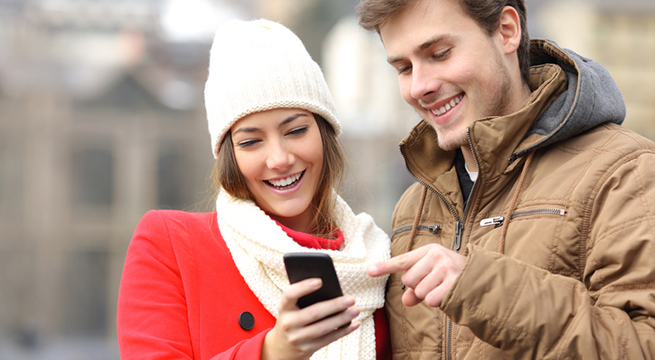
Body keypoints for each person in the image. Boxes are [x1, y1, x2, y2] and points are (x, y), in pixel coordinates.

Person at [356, 0, 655, 358]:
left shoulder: (624, 172)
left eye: (440, 53)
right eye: (404, 68)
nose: (419, 87)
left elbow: (642, 344)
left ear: (507, 32)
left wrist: (481, 287)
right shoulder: (414, 206)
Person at [116, 19, 392, 360]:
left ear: (325, 134)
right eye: (250, 141)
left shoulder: (376, 262)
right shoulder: (171, 244)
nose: (279, 159)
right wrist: (272, 352)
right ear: (229, 155)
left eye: (296, 131)